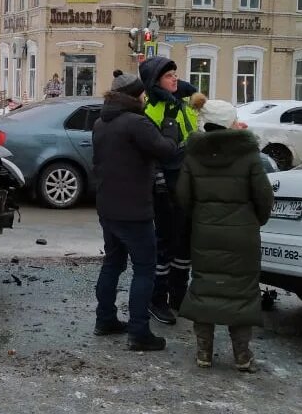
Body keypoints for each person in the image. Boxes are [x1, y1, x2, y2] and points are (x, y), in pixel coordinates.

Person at [174, 99, 274, 372]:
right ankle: (242, 355)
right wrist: (254, 222)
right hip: (243, 235)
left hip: (205, 233)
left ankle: (203, 352)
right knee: (241, 290)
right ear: (230, 122)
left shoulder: (194, 155)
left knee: (205, 286)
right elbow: (264, 197)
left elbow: (183, 197)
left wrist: (201, 218)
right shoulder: (249, 155)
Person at [91, 70, 179, 351]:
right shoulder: (136, 123)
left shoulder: (100, 123)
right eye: (141, 93)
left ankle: (105, 319)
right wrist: (169, 126)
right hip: (134, 211)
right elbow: (166, 150)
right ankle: (139, 332)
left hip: (108, 207)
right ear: (133, 95)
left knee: (113, 263)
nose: (144, 96)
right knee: (145, 269)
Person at [137, 56, 206, 325]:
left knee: (185, 243)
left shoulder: (184, 103)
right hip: (165, 187)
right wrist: (158, 181)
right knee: (164, 244)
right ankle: (158, 299)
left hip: (188, 184)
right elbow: (148, 153)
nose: (175, 79)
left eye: (175, 74)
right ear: (155, 81)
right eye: (168, 76)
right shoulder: (152, 110)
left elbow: (194, 138)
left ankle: (179, 295)